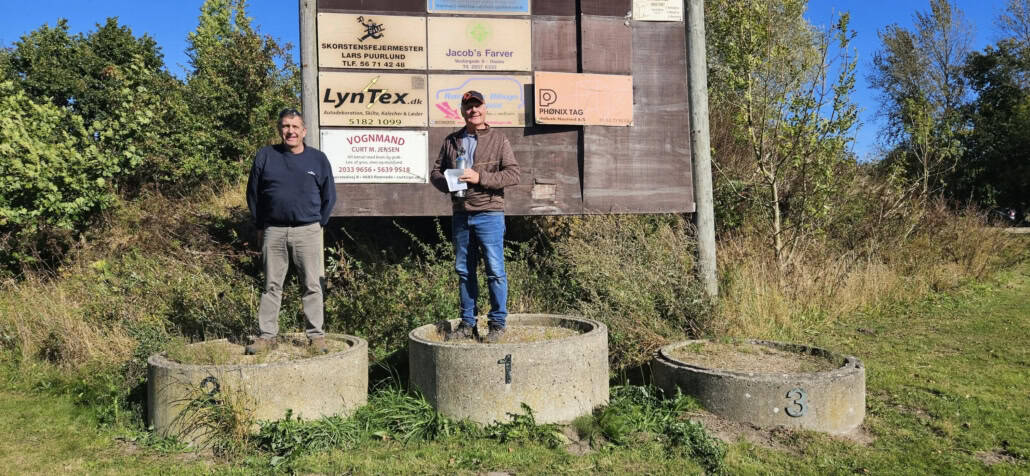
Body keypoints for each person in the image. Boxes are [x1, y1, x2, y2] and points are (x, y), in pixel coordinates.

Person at [430, 91, 521, 343]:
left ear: (485, 108)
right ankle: (468, 323)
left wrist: (480, 178)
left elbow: (513, 174)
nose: (473, 111)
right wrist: (448, 182)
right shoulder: (451, 140)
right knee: (464, 271)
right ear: (462, 111)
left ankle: (497, 323)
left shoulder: (499, 139)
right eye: (468, 107)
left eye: (477, 106)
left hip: (489, 213)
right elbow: (435, 172)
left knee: (495, 270)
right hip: (461, 214)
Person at [244, 108, 337, 354]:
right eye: (286, 126)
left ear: (304, 131)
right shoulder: (266, 156)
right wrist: (260, 225)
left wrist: (318, 223)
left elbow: (329, 196)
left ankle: (316, 337)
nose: (290, 131)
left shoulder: (318, 159)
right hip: (273, 231)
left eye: (295, 127)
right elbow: (253, 194)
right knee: (271, 286)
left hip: (308, 231)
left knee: (312, 285)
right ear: (279, 130)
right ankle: (266, 336)